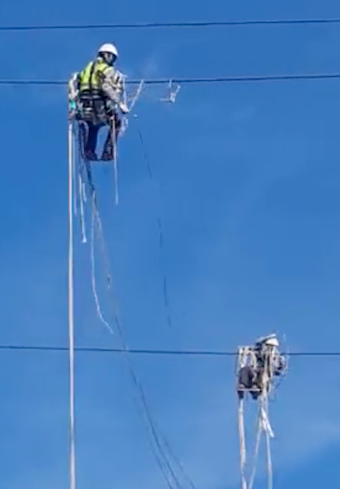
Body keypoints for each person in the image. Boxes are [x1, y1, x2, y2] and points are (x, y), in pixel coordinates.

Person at [69, 43, 129, 161]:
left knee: (93, 126)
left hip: (85, 105)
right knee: (115, 123)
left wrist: (73, 106)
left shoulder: (88, 67)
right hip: (98, 105)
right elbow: (106, 87)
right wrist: (119, 103)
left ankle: (89, 152)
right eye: (111, 57)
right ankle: (108, 153)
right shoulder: (108, 70)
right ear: (106, 55)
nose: (112, 61)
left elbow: (75, 86)